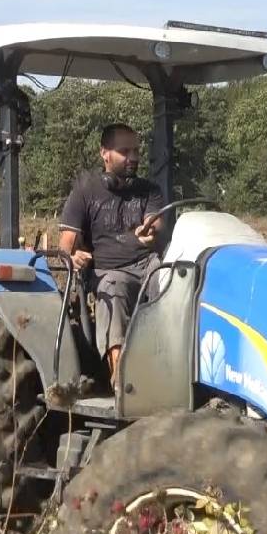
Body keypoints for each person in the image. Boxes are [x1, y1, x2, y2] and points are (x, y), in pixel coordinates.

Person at [58, 123, 166, 388]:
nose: (134, 158)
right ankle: (121, 379)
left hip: (148, 264)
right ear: (104, 153)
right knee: (113, 289)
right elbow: (65, 245)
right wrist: (72, 257)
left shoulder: (149, 190)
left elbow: (155, 223)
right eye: (125, 151)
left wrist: (151, 228)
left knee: (176, 283)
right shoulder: (86, 191)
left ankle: (174, 366)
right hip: (109, 272)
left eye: (137, 151)